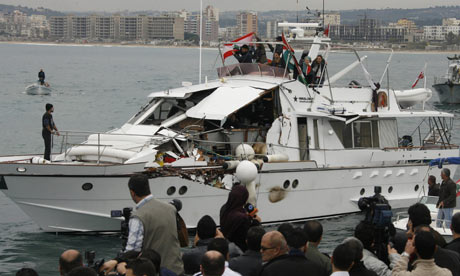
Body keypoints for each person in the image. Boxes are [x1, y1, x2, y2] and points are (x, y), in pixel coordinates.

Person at [101, 174, 183, 275]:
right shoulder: (170, 209)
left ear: (132, 192)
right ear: (148, 187)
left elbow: (133, 250)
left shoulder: (138, 216)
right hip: (176, 270)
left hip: (153, 272)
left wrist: (117, 261)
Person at [220, 185, 260, 252]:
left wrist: (248, 217)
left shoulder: (224, 208)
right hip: (240, 250)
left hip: (226, 246)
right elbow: (248, 235)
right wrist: (256, 222)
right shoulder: (242, 218)